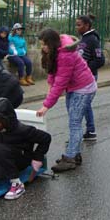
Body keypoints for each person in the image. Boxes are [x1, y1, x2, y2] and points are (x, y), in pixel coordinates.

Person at [36, 29, 96, 173]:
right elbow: (53, 72)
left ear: (51, 43)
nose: (42, 47)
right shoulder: (56, 50)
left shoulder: (65, 55)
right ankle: (74, 153)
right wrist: (50, 87)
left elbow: (60, 83)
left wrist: (46, 106)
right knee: (73, 121)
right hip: (74, 87)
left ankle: (70, 159)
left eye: (44, 44)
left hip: (83, 88)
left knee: (75, 123)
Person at [76, 14, 104, 141]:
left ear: (87, 25)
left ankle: (87, 131)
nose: (77, 27)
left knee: (83, 104)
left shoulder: (92, 39)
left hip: (89, 77)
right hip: (80, 77)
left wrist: (85, 68)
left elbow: (100, 60)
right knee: (84, 104)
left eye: (79, 25)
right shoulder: (83, 38)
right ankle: (90, 131)